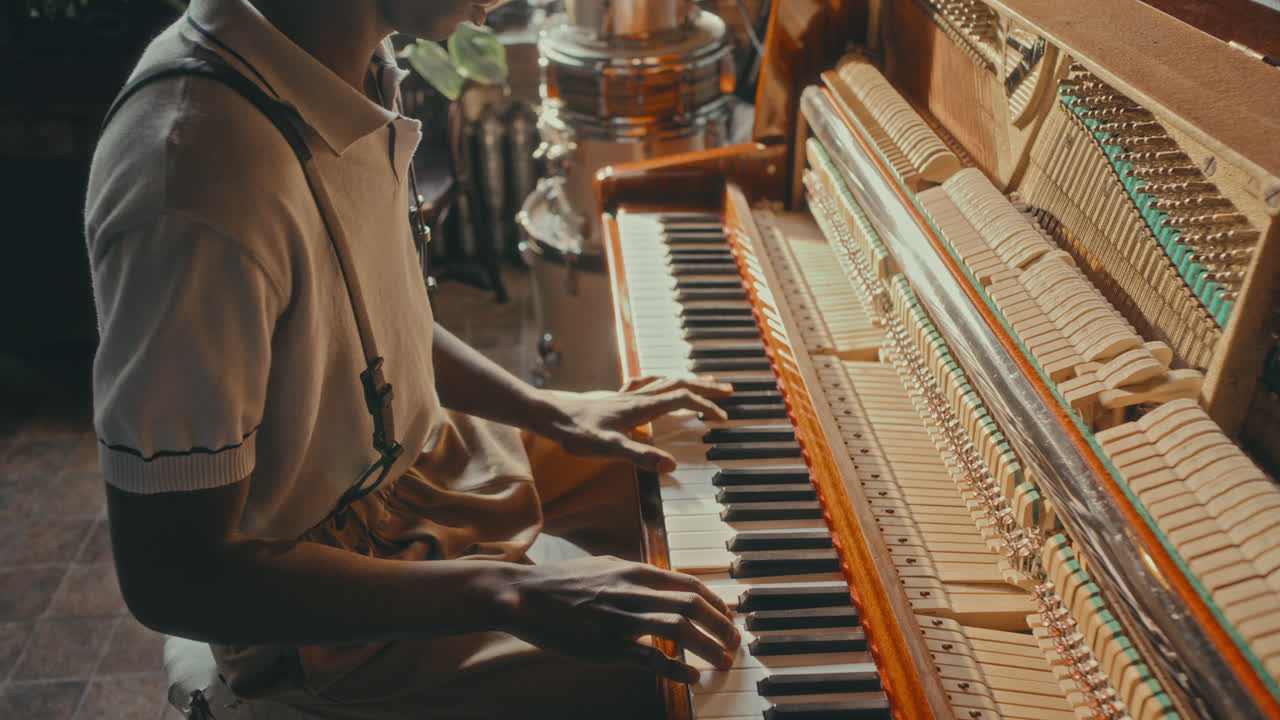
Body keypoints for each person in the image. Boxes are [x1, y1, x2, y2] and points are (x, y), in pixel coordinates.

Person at [84, 0, 740, 717]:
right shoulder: (193, 186)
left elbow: (371, 317)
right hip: (328, 608)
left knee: (704, 461)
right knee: (706, 686)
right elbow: (174, 578)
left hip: (425, 465)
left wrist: (550, 410)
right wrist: (509, 591)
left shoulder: (348, 55)